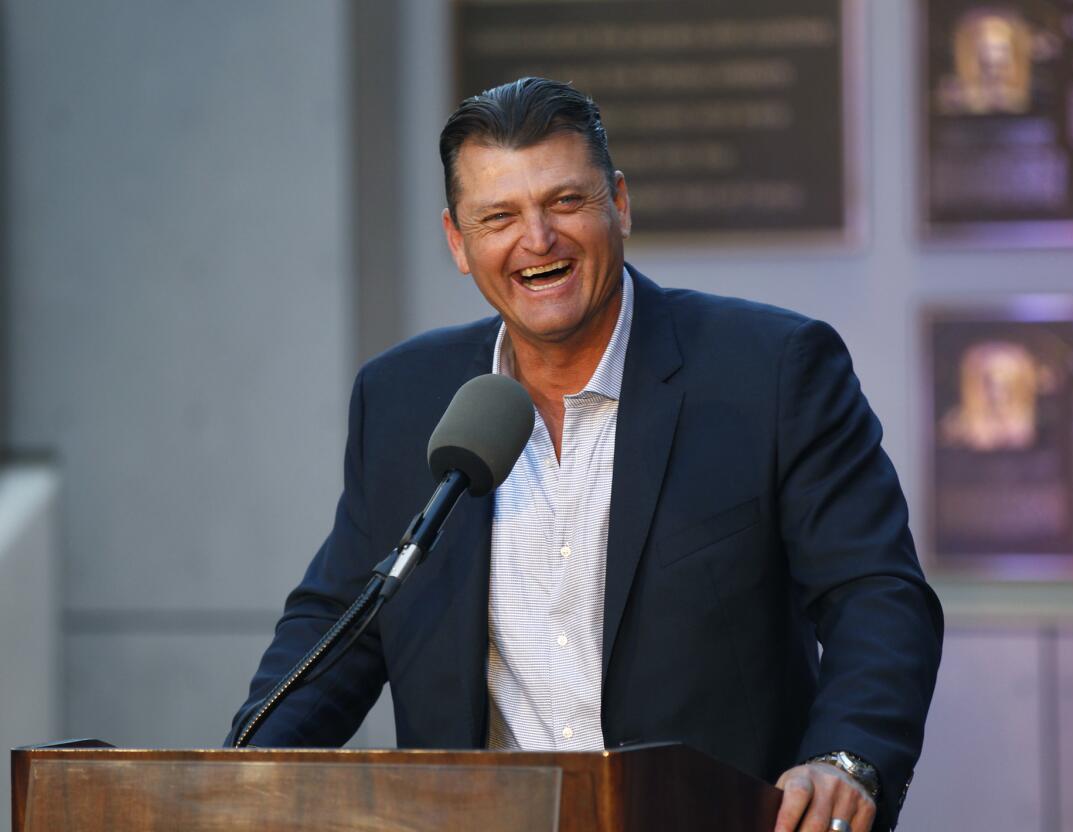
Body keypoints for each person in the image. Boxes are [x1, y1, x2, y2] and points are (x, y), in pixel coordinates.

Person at [229, 77, 943, 832]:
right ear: (458, 243)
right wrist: (228, 784)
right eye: (498, 216)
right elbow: (340, 622)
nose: (537, 240)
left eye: (565, 202)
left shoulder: (770, 371)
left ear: (620, 204)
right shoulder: (403, 398)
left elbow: (876, 594)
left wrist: (846, 759)